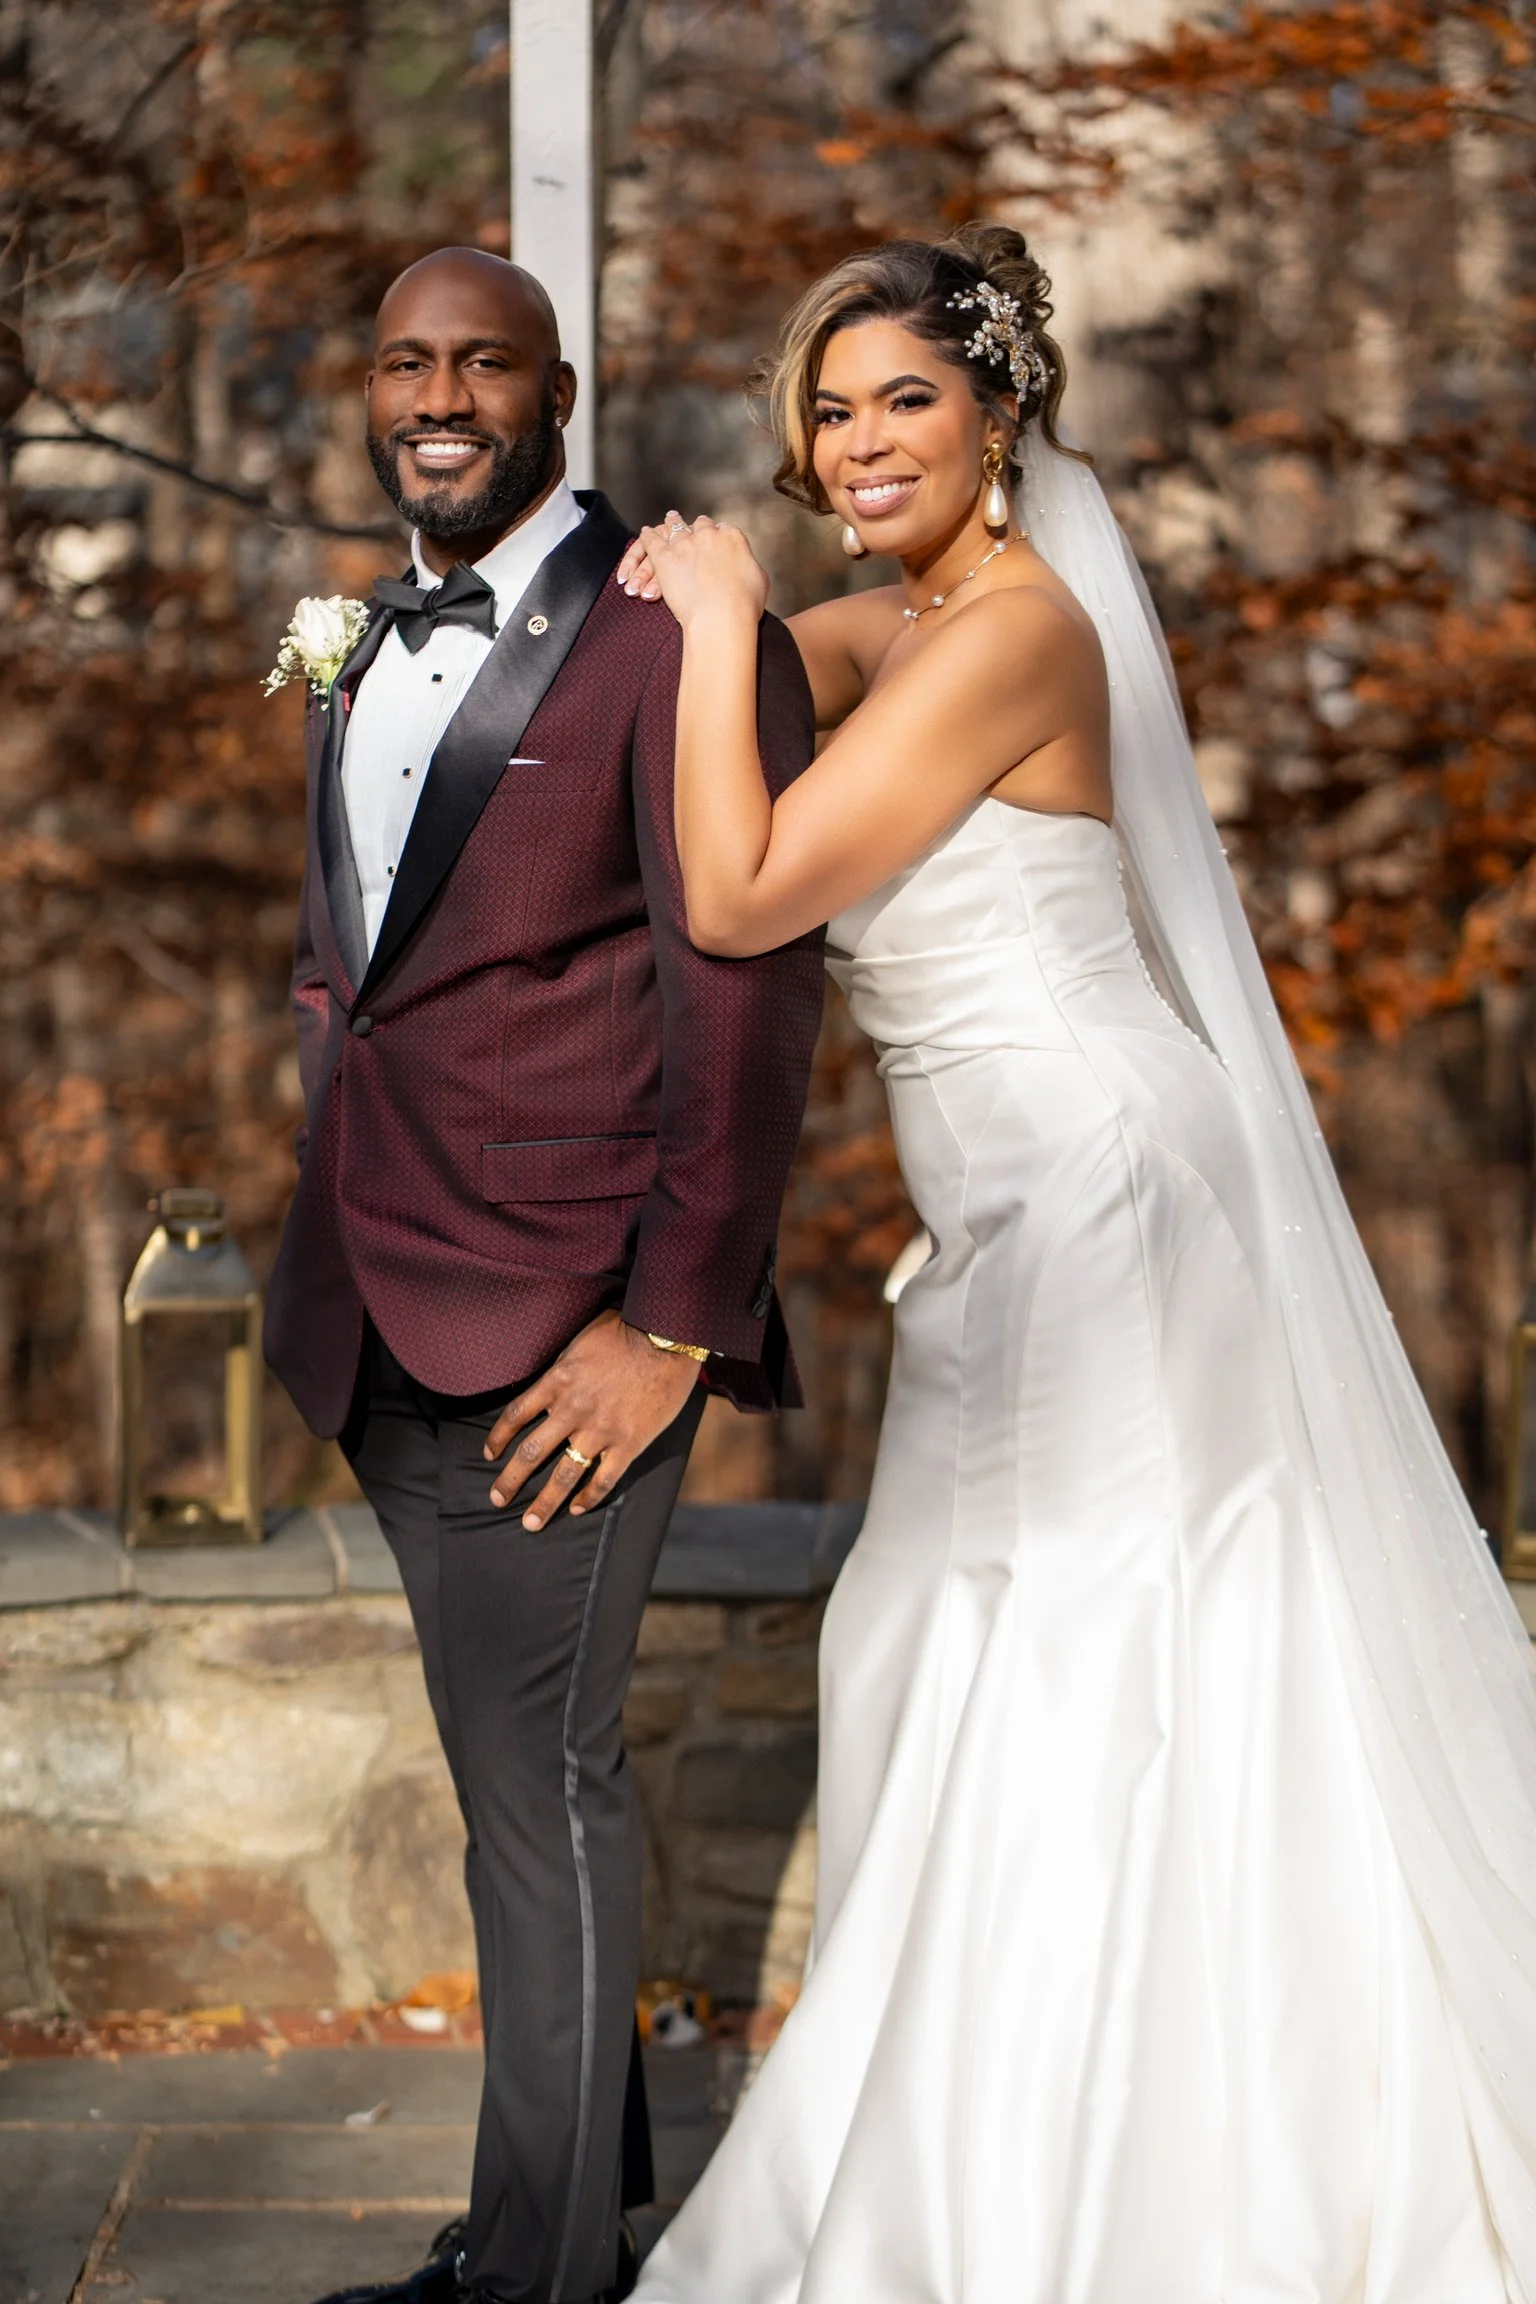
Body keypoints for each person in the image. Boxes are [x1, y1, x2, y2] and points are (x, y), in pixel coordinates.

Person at [617, 222, 1536, 2300]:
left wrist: (711, 629)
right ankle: (993, 2119)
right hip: (1012, 1211)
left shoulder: (1019, 636)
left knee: (1080, 1648)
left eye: (904, 402)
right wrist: (664, 624)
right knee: (936, 1639)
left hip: (1106, 1193)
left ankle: (1105, 2180)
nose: (858, 444)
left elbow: (749, 888)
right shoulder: (921, 617)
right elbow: (796, 670)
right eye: (828, 413)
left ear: (1005, 409)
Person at [263, 246, 823, 2304]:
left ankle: (544, 2283)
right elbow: (354, 953)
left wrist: (671, 1318)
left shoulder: (683, 630)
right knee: (524, 1785)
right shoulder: (353, 624)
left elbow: (744, 1000)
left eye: (481, 363)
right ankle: (569, 2218)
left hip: (568, 1324)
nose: (438, 394)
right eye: (405, 358)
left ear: (557, 389)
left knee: (541, 1790)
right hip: (372, 1283)